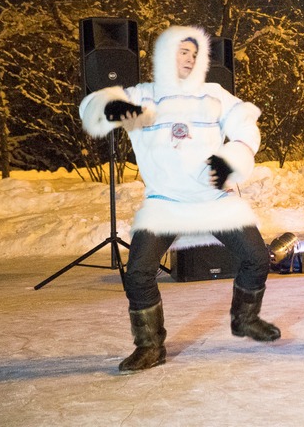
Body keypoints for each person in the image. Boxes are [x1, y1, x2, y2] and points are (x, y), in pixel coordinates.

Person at [79, 25, 280, 373]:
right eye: (182, 52)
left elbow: (246, 125)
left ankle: (245, 318)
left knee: (257, 258)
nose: (189, 59)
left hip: (211, 199)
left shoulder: (213, 95)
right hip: (165, 202)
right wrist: (111, 107)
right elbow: (92, 110)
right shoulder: (142, 95)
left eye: (194, 54)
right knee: (138, 273)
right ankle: (149, 346)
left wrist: (232, 157)